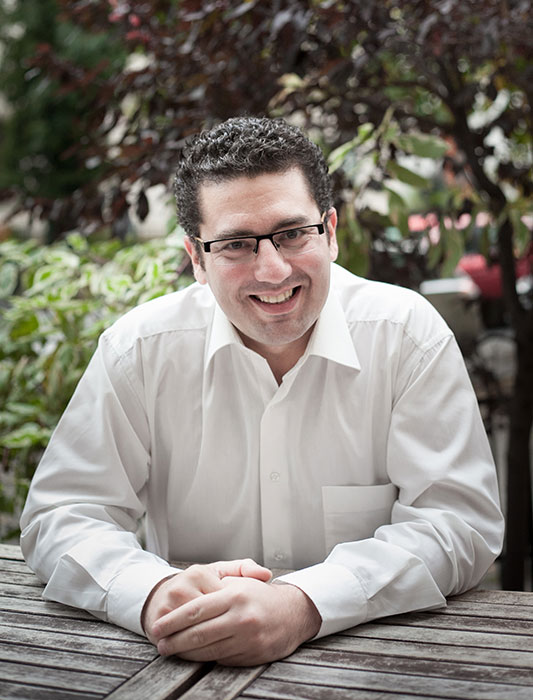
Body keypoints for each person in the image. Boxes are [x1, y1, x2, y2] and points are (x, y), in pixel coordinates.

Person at [20, 116, 504, 667]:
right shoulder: (140, 349)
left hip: (383, 664)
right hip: (183, 660)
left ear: (332, 231)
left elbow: (458, 523)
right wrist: (150, 593)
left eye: (294, 233)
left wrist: (303, 605)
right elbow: (64, 513)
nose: (272, 271)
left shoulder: (407, 336)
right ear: (197, 259)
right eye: (236, 244)